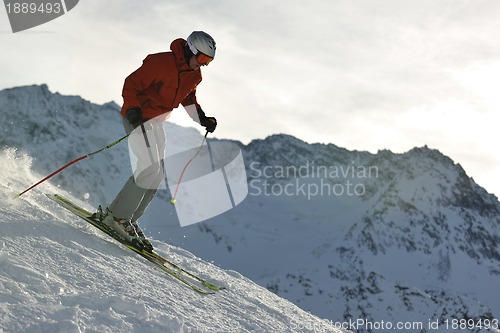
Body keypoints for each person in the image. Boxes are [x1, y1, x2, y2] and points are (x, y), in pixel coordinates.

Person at [93, 31, 218, 252]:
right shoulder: (160, 62)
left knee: (156, 173)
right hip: (139, 116)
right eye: (202, 59)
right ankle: (117, 218)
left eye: (207, 62)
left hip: (157, 122)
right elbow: (131, 84)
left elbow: (188, 99)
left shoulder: (194, 75)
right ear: (191, 48)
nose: (203, 65)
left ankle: (126, 218)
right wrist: (132, 109)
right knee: (148, 167)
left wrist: (202, 118)